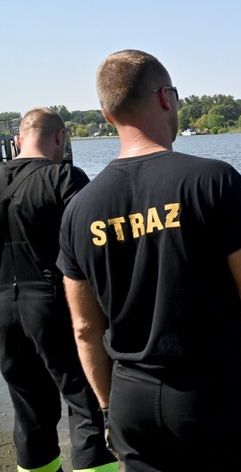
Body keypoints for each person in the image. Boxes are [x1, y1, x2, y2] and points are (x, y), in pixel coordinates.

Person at [58, 50, 241, 472]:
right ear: (166, 98)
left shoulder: (79, 209)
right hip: (213, 393)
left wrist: (109, 409)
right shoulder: (212, 181)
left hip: (131, 400)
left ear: (107, 115)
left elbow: (86, 328)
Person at [0, 108, 117, 472]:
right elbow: (95, 250)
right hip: (54, 303)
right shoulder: (65, 178)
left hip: (2, 308)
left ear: (18, 141)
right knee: (85, 403)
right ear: (59, 139)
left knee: (28, 409)